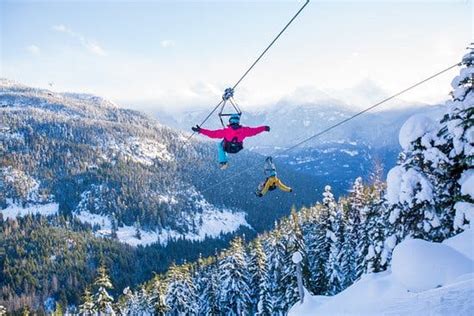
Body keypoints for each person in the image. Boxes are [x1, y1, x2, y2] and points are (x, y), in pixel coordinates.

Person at [192, 114, 270, 169]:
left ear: (230, 122)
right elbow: (254, 131)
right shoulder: (245, 131)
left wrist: (201, 130)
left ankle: (223, 162)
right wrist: (264, 128)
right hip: (237, 148)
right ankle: (223, 162)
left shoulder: (226, 131)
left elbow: (212, 134)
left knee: (220, 145)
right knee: (224, 143)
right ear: (238, 122)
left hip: (227, 148)